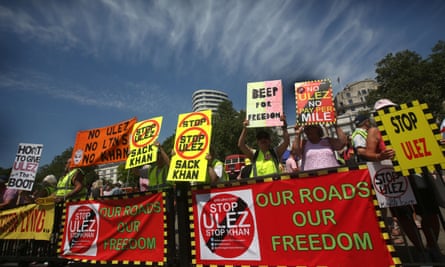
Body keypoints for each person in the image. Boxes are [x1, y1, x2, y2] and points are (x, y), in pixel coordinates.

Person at [365, 98, 444, 261]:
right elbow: (367, 153)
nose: (386, 113)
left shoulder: (412, 121)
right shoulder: (375, 131)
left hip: (418, 174)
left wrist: (437, 143)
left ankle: (432, 245)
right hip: (394, 179)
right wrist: (380, 155)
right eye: (382, 111)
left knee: (430, 212)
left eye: (389, 109)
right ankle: (420, 249)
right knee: (403, 215)